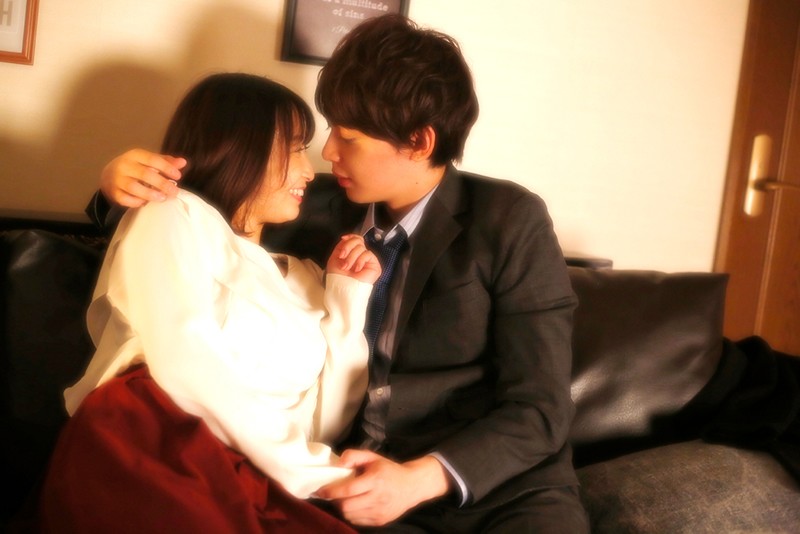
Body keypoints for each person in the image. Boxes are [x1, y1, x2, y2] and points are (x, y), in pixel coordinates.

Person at [88, 14, 590, 533]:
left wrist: (421, 479)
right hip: (353, 484)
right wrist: (114, 189)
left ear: (419, 142)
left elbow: (541, 407)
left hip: (499, 493)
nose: (326, 154)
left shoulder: (509, 220)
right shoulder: (311, 203)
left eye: (347, 137)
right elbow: (202, 220)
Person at [38, 72, 382, 533]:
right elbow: (182, 355)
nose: (310, 169)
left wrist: (347, 298)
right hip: (154, 439)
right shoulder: (173, 213)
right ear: (239, 144)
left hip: (254, 470)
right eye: (296, 148)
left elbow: (323, 424)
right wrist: (315, 472)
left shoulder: (306, 274)